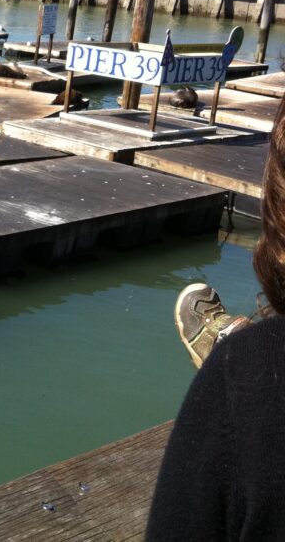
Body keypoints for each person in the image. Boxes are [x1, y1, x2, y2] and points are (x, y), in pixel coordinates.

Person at [147, 96, 285, 540]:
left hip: (259, 381)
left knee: (249, 370)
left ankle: (226, 341)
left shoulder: (247, 374)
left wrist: (239, 365)